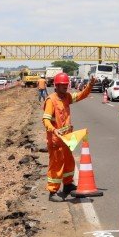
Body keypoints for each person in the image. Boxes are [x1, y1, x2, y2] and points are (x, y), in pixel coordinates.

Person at [42, 72, 95, 200]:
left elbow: (82, 95)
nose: (65, 87)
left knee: (69, 162)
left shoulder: (67, 97)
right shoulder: (51, 100)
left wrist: (90, 85)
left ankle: (67, 185)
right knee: (56, 165)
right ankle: (53, 192)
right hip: (56, 140)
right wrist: (54, 130)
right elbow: (46, 119)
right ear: (57, 86)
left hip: (67, 138)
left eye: (66, 85)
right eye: (63, 85)